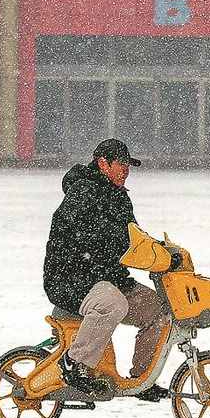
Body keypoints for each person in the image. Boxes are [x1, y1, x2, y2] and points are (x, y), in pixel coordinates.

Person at [42, 138, 170, 400]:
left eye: (128, 166)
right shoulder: (83, 193)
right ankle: (73, 364)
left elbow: (134, 237)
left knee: (158, 309)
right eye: (121, 165)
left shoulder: (119, 197)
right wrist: (127, 249)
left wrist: (164, 253)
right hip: (72, 278)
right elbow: (99, 239)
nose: (126, 170)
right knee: (112, 305)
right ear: (103, 164)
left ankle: (141, 380)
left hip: (107, 277)